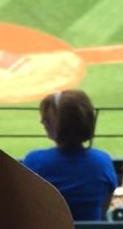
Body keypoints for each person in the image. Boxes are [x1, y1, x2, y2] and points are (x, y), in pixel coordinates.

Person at [22, 90, 118, 221]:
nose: (43, 122)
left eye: (48, 120)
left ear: (64, 124)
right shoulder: (103, 162)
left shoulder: (34, 161)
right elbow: (102, 211)